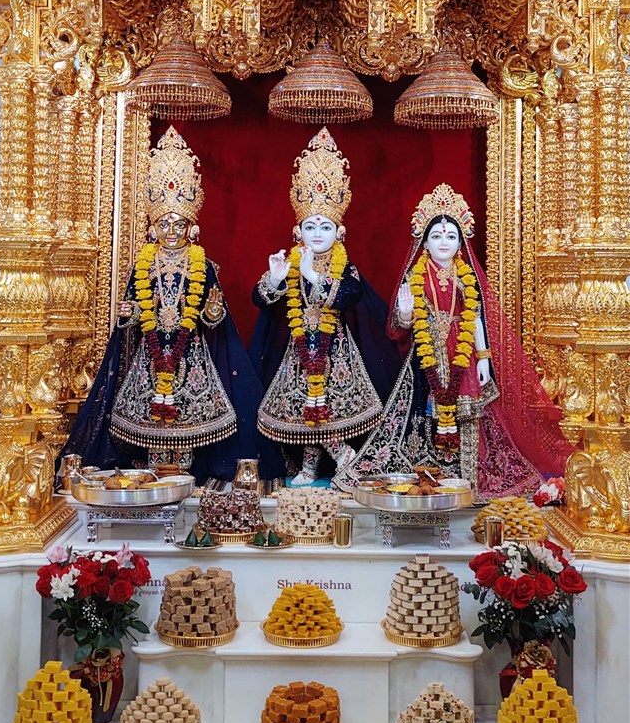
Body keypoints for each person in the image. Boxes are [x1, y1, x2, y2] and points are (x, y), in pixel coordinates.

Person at [62, 126, 283, 482]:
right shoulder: (143, 263)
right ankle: (153, 470)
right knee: (150, 415)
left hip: (190, 352)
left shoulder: (203, 265)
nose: (171, 231)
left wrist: (212, 312)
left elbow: (214, 318)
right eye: (163, 223)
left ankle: (186, 470)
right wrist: (128, 314)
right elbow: (132, 311)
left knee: (189, 414)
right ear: (153, 227)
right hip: (150, 355)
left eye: (178, 224)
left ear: (191, 227)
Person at [335, 183, 571, 495]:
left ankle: (467, 473)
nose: (443, 242)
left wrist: (483, 358)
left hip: (464, 354)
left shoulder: (466, 277)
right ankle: (427, 472)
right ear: (424, 242)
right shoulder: (415, 276)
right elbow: (400, 326)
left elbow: (475, 318)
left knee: (470, 413)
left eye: (450, 236)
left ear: (460, 242)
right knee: (423, 411)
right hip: (426, 356)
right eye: (436, 236)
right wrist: (405, 313)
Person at [250, 127, 396, 485]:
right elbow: (260, 300)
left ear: (339, 233)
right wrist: (275, 280)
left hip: (336, 352)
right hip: (298, 349)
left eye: (325, 227)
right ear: (298, 231)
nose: (317, 234)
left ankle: (342, 456)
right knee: (306, 408)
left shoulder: (344, 265)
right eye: (310, 227)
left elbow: (350, 296)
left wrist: (313, 276)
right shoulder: (290, 262)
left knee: (326, 406)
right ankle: (313, 466)